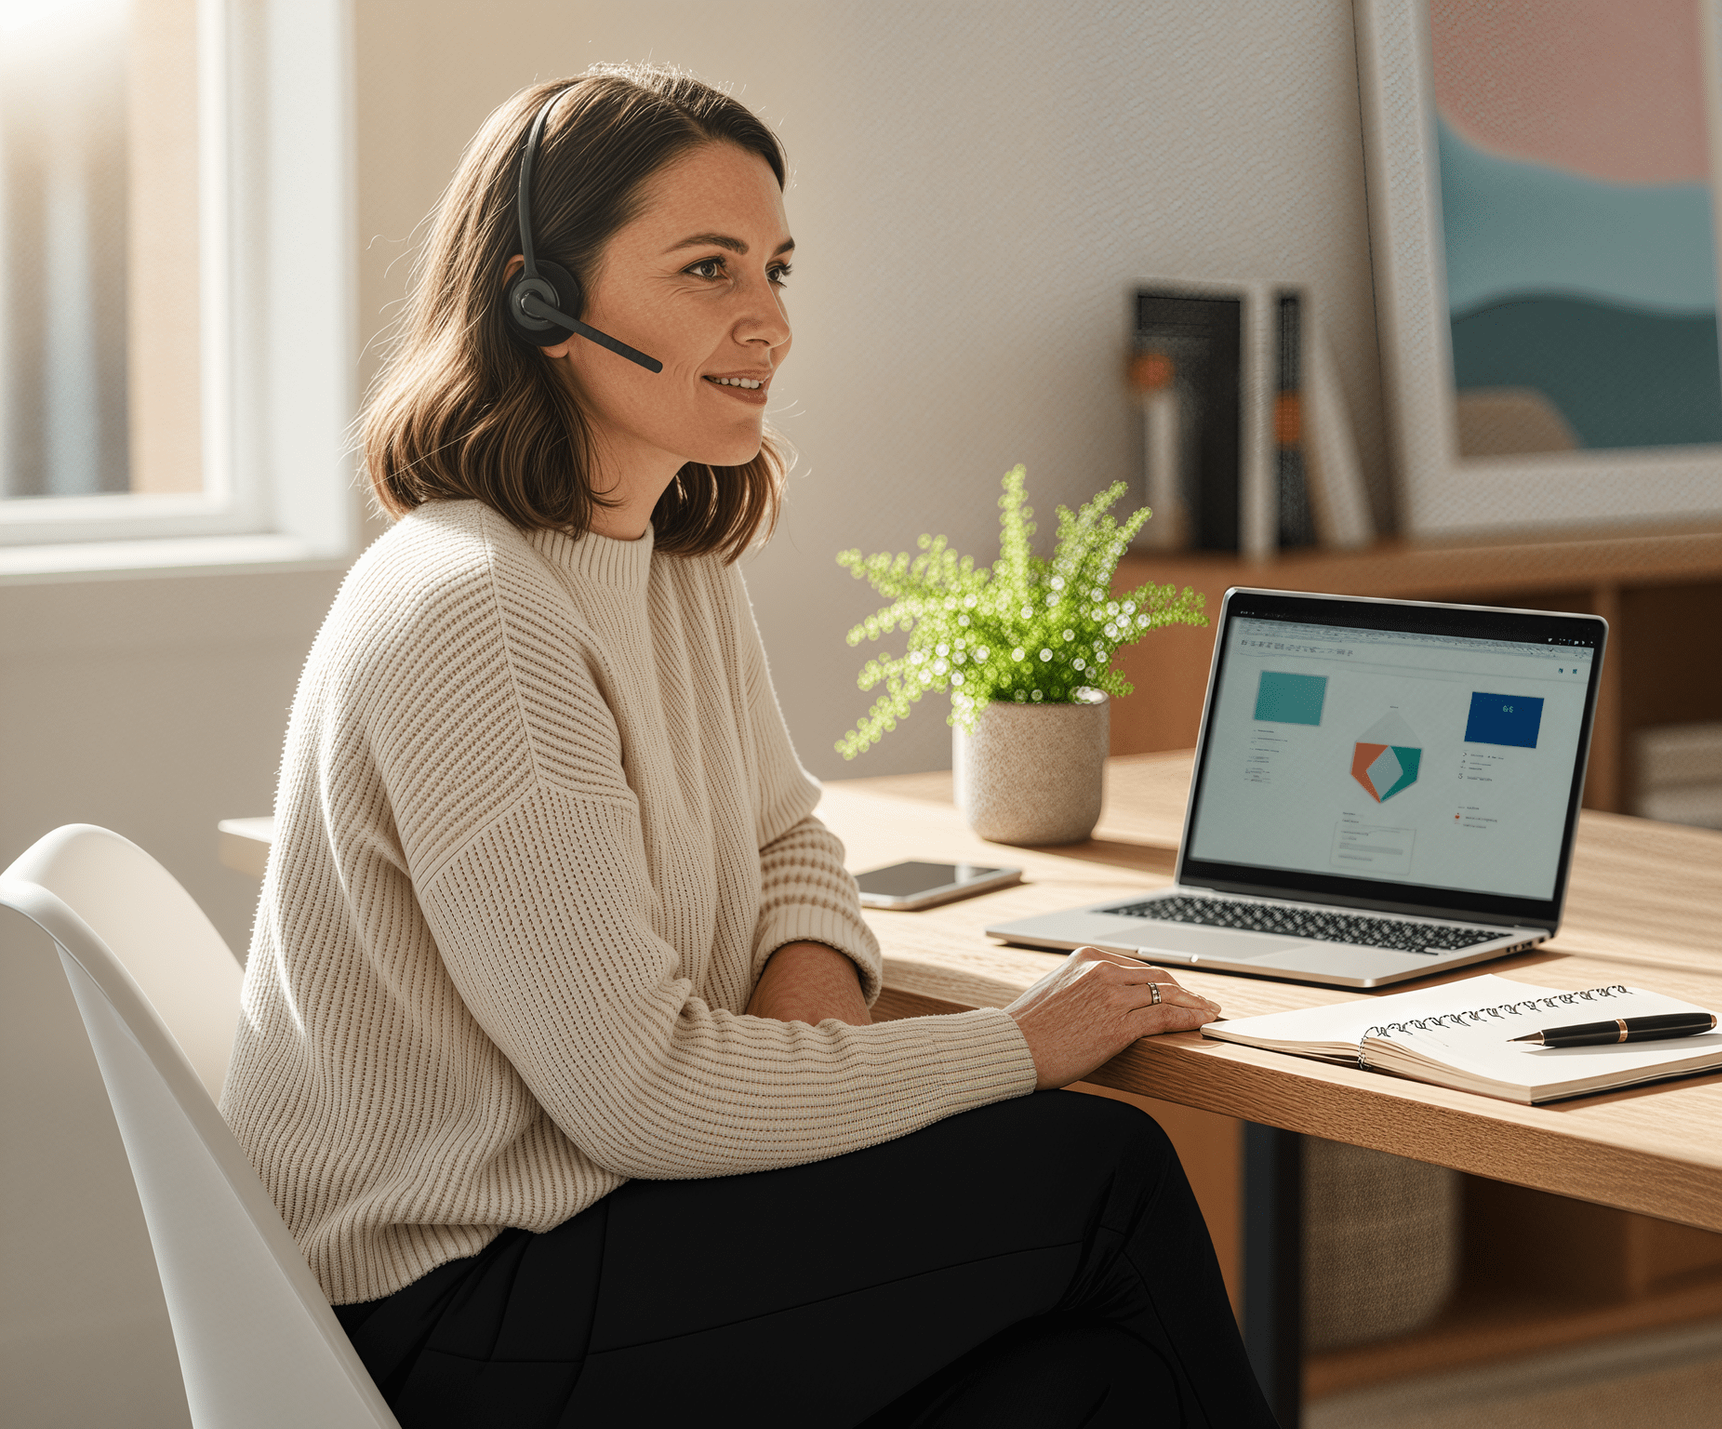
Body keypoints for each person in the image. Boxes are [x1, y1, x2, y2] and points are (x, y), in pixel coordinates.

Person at [222, 63, 1274, 1429]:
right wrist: (1020, 1045)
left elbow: (789, 838)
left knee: (1085, 1382)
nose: (768, 321)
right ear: (540, 301)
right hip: (457, 1301)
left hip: (607, 1226)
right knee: (1099, 1175)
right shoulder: (478, 612)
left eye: (775, 268)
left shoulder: (670, 564)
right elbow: (642, 1096)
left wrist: (805, 1011)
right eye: (707, 269)